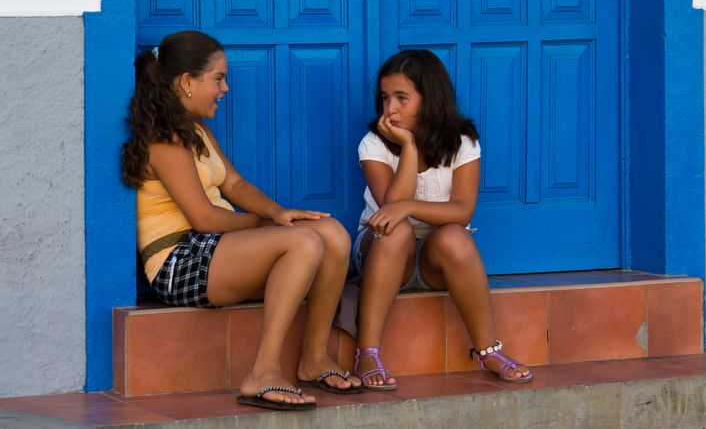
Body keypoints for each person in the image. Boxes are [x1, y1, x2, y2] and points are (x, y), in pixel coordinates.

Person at [121, 30, 362, 411]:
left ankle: (314, 357)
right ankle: (263, 372)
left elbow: (234, 183)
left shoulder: (196, 131)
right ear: (186, 82)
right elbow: (202, 218)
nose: (225, 88)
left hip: (214, 247)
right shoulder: (164, 140)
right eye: (217, 78)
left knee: (332, 233)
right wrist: (266, 227)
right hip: (178, 261)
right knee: (303, 241)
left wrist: (277, 213)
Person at [352, 49, 533, 390]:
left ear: (429, 98)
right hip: (384, 255)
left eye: (402, 98)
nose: (390, 109)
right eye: (385, 98)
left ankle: (488, 349)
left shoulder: (462, 143)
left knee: (455, 235)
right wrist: (408, 147)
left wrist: (408, 207)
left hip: (437, 261)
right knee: (396, 231)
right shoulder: (374, 144)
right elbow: (390, 209)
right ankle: (367, 352)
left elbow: (462, 210)